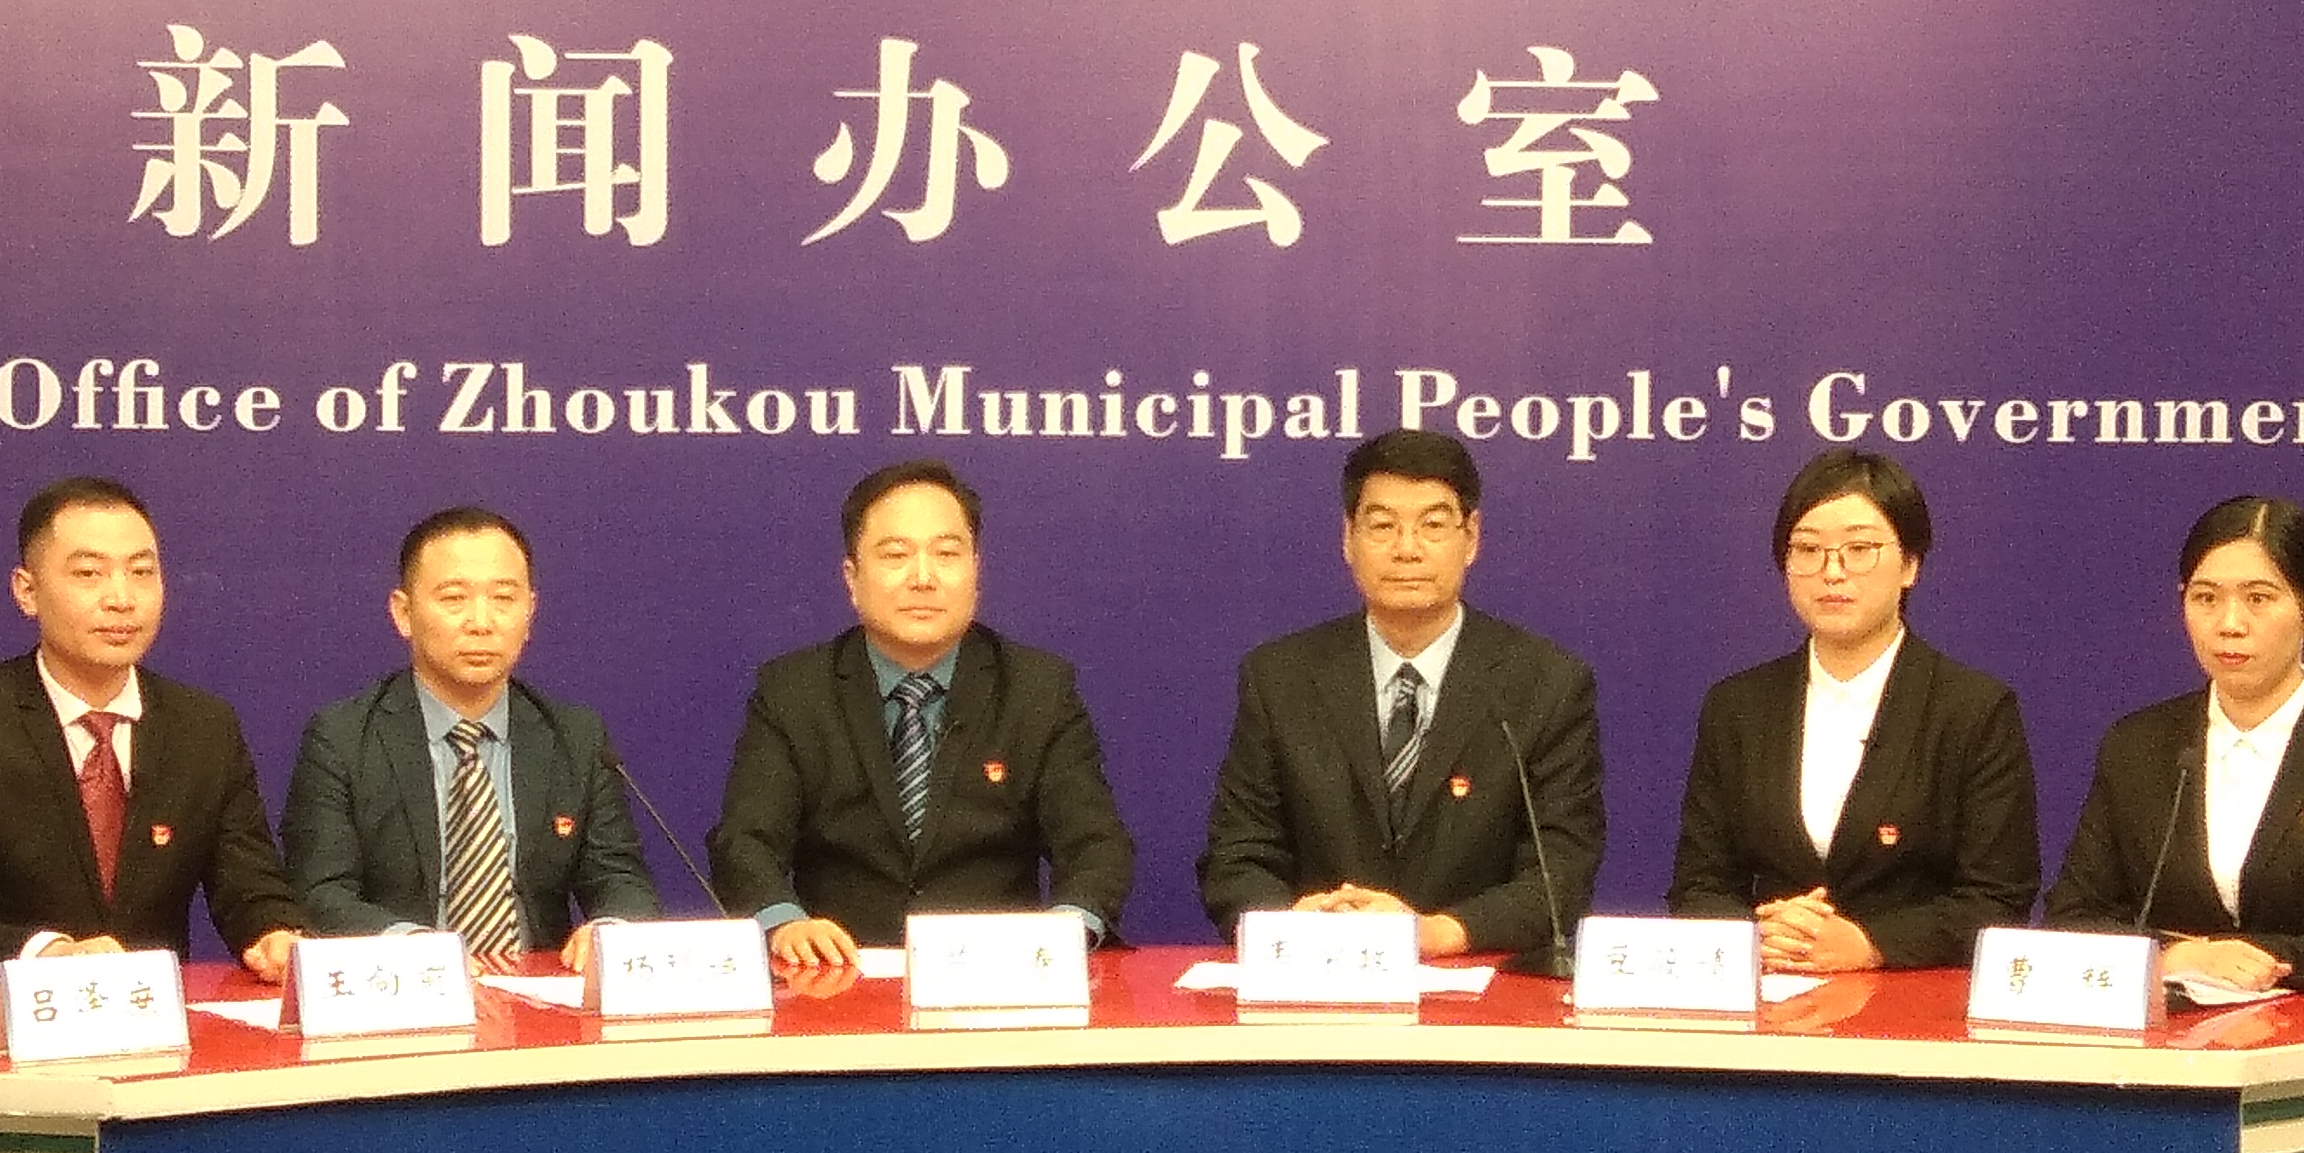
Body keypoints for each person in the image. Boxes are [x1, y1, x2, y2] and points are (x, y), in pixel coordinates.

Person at [708, 458, 1133, 987]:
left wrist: (1065, 931)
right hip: (834, 979)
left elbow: (1096, 845)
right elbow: (745, 841)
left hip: (998, 982)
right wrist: (784, 923)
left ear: (976, 571)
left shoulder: (1037, 690)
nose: (923, 578)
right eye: (896, 555)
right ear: (852, 579)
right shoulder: (793, 692)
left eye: (946, 554)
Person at [1196, 427, 1603, 968]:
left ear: (1471, 537)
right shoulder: (1280, 677)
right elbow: (1237, 856)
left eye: (1432, 526)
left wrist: (1430, 933)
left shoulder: (1545, 683)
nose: (1407, 549)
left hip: (1479, 983)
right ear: (1348, 538)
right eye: (1383, 526)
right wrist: (1293, 923)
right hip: (1317, 976)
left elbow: (1561, 871)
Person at [0, 477, 303, 987]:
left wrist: (272, 933)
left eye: (142, 572)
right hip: (11, 1019)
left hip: (155, 1017)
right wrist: (52, 954)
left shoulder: (204, 727)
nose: (122, 599)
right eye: (89, 573)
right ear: (27, 592)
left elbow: (249, 887)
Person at [1666, 451, 2038, 975]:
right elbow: (1698, 884)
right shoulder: (1738, 706)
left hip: (1911, 997)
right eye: (1808, 550)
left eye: (1859, 549)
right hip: (1768, 987)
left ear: (1910, 564)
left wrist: (1869, 943)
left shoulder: (1972, 709)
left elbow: (1998, 899)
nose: (1832, 572)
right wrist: (1757, 933)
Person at [2047, 495, 2304, 995]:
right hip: (2167, 1032)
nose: (2229, 623)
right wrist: (2178, 957)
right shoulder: (2138, 745)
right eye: (2206, 598)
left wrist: (2237, 959)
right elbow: (2071, 919)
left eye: (2259, 598)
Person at [283, 505, 658, 972]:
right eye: (454, 598)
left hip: (536, 992)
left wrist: (611, 927)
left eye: (503, 598)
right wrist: (418, 949)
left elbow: (620, 877)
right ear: (403, 613)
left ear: (530, 612)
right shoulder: (342, 738)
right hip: (407, 990)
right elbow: (320, 891)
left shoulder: (575, 736)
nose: (481, 622)